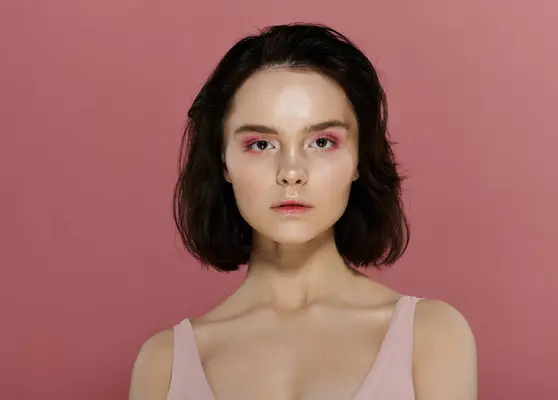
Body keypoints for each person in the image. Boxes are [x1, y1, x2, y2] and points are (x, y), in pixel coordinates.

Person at [128, 23, 477, 400]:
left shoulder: (431, 336)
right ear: (223, 162)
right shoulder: (163, 364)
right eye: (261, 144)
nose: (291, 172)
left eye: (322, 141)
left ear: (359, 158)